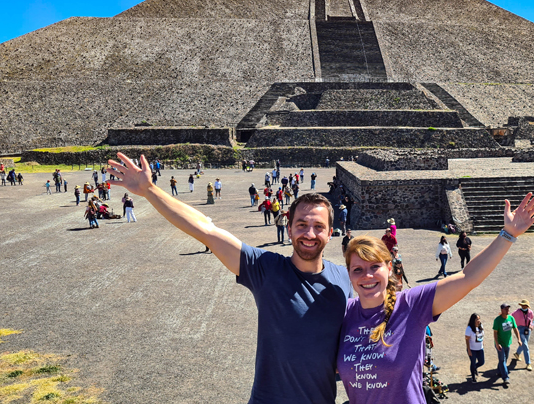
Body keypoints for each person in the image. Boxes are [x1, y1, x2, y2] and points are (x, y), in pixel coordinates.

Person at [105, 153, 352, 404]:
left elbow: (362, 345)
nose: (309, 233)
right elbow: (207, 230)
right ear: (289, 229)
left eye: (318, 227)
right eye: (301, 225)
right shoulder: (266, 269)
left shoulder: (344, 281)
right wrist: (149, 190)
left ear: (331, 233)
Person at [337, 193, 534, 402]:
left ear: (389, 267)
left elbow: (467, 277)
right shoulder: (342, 314)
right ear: (348, 273)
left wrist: (508, 234)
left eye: (375, 266)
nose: (367, 276)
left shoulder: (411, 304)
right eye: (357, 269)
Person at [493, 304, 522, 386]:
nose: (508, 310)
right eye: (506, 309)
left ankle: (499, 371)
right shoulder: (497, 320)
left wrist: (519, 339)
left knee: (505, 359)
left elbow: (515, 329)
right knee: (502, 360)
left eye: (508, 309)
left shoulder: (511, 318)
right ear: (502, 310)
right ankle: (505, 378)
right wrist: (497, 344)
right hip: (500, 345)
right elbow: (495, 333)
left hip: (507, 343)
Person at [512, 299, 534, 371]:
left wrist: (531, 326)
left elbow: (532, 320)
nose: (524, 306)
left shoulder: (530, 312)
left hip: (527, 330)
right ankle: (528, 363)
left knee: (524, 344)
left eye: (525, 305)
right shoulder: (516, 312)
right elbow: (510, 317)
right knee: (525, 346)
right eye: (523, 305)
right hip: (520, 330)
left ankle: (517, 354)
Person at [465, 313, 485, 382]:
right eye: (477, 319)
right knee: (473, 362)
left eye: (479, 319)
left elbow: (482, 335)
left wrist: (483, 342)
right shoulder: (469, 329)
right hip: (472, 349)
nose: (478, 320)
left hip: (480, 348)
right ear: (473, 320)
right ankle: (473, 377)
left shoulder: (480, 326)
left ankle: (475, 368)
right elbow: (467, 339)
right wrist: (469, 349)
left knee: (482, 362)